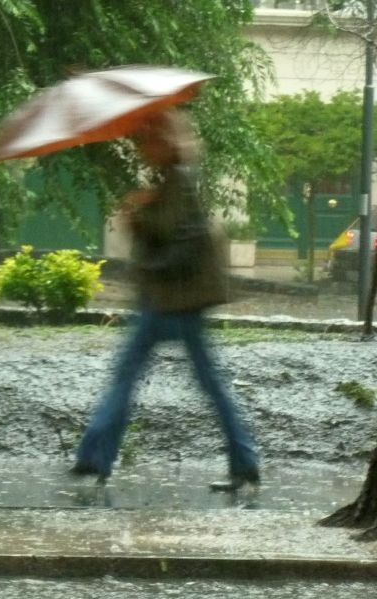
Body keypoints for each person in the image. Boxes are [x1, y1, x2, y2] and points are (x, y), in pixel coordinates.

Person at [70, 108, 260, 492]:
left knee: (162, 380)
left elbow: (176, 240)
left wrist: (140, 214)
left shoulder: (180, 182)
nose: (141, 148)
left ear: (167, 144)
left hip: (174, 302)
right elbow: (164, 235)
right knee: (175, 381)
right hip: (164, 300)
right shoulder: (170, 182)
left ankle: (96, 457)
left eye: (147, 140)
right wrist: (140, 211)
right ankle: (95, 457)